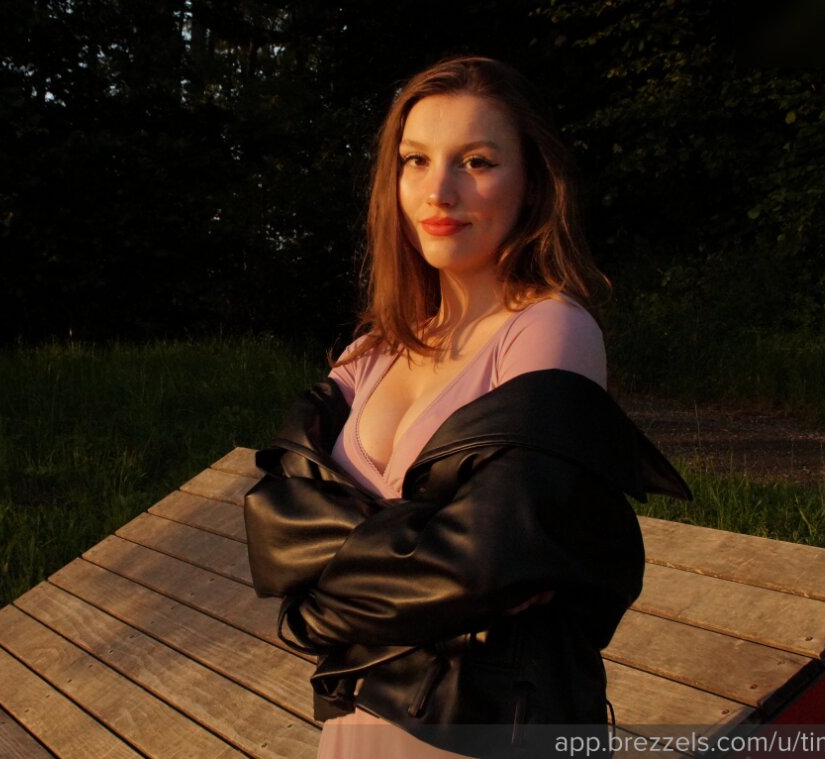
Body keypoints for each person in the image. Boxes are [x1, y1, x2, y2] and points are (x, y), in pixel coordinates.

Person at [243, 55, 692, 758]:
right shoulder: (370, 351)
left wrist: (310, 613)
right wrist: (422, 556)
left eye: (476, 162)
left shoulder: (548, 329)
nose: (439, 190)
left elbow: (488, 561)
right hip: (356, 724)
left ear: (532, 183)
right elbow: (274, 531)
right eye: (416, 160)